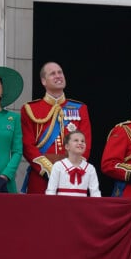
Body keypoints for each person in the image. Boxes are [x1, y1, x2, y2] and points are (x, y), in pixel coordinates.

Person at [20, 62, 92, 194]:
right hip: (42, 177)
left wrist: (71, 168)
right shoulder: (30, 109)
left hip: (72, 176)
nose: (58, 76)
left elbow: (85, 143)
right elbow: (27, 145)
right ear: (43, 81)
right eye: (52, 74)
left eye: (60, 72)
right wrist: (50, 170)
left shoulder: (80, 108)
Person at [45, 131, 101, 197]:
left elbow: (95, 192)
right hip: (62, 205)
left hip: (82, 205)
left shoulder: (90, 168)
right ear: (67, 146)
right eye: (76, 140)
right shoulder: (58, 166)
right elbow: (51, 190)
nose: (80, 143)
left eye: (83, 141)